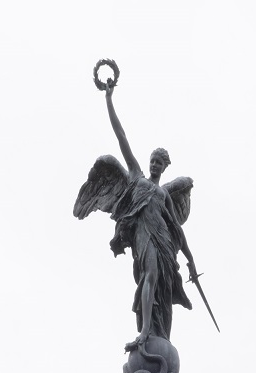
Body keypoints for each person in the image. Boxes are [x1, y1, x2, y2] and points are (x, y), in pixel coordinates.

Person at [73, 74, 199, 355]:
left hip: (165, 243)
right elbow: (122, 136)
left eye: (159, 162)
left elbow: (177, 231)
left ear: (164, 166)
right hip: (144, 239)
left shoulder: (164, 195)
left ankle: (160, 334)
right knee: (150, 275)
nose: (154, 164)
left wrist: (190, 261)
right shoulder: (137, 179)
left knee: (163, 291)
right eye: (152, 160)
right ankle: (143, 333)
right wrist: (109, 99)